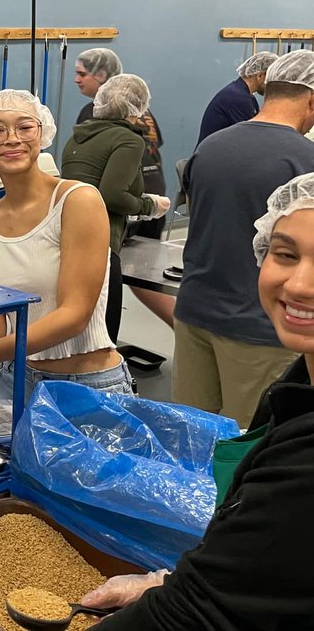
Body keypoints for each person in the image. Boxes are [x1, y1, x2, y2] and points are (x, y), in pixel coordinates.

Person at [79, 173, 314, 630]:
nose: (301, 284)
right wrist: (167, 582)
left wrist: (180, 594)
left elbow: (195, 614)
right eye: (285, 254)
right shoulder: (299, 380)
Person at [0, 90, 132, 403]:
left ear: (43, 132)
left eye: (24, 127)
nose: (11, 139)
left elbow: (75, 314)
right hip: (14, 381)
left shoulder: (77, 201)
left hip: (86, 386)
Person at [173, 50, 314, 426]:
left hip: (194, 312)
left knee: (190, 436)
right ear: (311, 100)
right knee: (249, 443)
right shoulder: (305, 160)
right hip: (257, 330)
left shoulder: (209, 147)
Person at [60, 75, 170, 343]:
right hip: (102, 242)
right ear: (138, 107)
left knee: (76, 325)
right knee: (105, 329)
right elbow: (112, 195)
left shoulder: (79, 136)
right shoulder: (130, 140)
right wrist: (150, 205)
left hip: (67, 237)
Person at [197, 51, 278, 145]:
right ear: (260, 76)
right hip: (212, 157)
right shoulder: (238, 98)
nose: (272, 86)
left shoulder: (245, 96)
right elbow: (252, 138)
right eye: (270, 80)